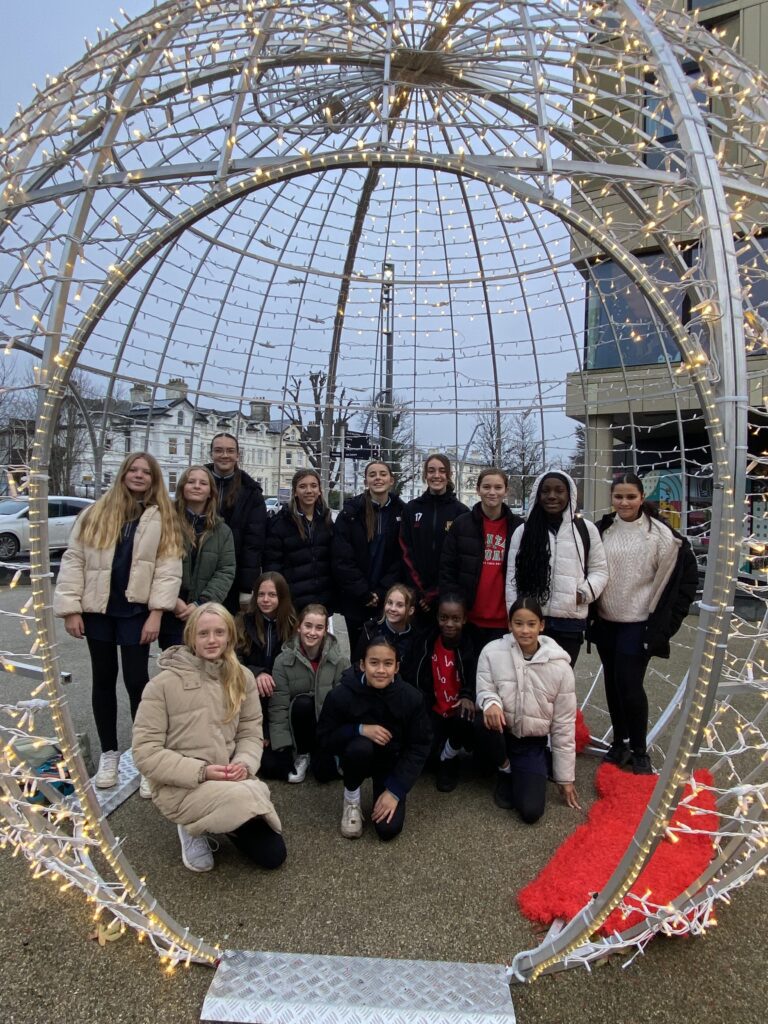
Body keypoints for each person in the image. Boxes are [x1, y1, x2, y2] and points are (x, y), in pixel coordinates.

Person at [53, 452, 182, 796]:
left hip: (136, 613)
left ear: (154, 479)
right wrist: (70, 609)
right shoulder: (95, 514)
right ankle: (110, 752)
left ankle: (144, 757)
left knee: (138, 682)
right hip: (98, 611)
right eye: (133, 470)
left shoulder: (162, 517)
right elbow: (74, 559)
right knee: (103, 679)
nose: (139, 476)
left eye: (146, 472)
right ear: (123, 474)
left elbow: (168, 568)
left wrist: (157, 611)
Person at [132, 603, 286, 873]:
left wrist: (244, 764)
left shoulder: (243, 678)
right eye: (203, 633)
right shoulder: (161, 686)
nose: (212, 640)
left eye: (219, 632)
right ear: (190, 636)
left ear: (230, 636)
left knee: (273, 854)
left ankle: (223, 819)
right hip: (183, 785)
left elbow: (250, 730)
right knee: (249, 800)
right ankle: (191, 828)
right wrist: (202, 772)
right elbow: (145, 752)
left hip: (228, 778)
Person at [592, 472, 699, 774]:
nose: (624, 502)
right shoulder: (603, 530)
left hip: (637, 623)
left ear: (641, 497)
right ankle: (619, 742)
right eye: (618, 497)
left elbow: (685, 582)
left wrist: (666, 625)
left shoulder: (662, 536)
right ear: (612, 498)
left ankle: (639, 748)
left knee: (630, 684)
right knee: (612, 683)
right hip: (606, 622)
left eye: (630, 496)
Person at [317, 635, 432, 841]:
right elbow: (324, 738)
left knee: (387, 830)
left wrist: (395, 790)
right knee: (359, 747)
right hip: (357, 756)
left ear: (397, 667)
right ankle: (351, 799)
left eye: (388, 664)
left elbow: (419, 746)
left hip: (391, 763)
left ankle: (385, 789)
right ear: (362, 665)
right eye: (374, 663)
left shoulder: (412, 698)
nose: (380, 670)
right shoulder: (341, 695)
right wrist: (358, 729)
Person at [476, 597, 580, 824]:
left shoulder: (560, 667)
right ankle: (504, 769)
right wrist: (491, 701)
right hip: (501, 733)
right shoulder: (491, 652)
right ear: (509, 624)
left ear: (541, 625)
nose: (525, 630)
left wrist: (565, 777)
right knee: (479, 716)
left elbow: (563, 725)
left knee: (531, 811)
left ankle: (530, 768)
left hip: (531, 743)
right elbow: (484, 689)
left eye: (531, 624)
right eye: (518, 623)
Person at [505, 470, 608, 667]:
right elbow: (512, 578)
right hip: (531, 620)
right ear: (538, 495)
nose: (552, 496)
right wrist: (514, 617)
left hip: (569, 623)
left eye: (559, 491)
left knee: (560, 682)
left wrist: (583, 594)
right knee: (531, 682)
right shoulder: (524, 531)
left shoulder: (585, 529)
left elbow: (600, 570)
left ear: (569, 495)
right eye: (546, 491)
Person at [440, 468, 524, 651]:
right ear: (478, 490)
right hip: (470, 619)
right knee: (471, 676)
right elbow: (448, 569)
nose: (492, 492)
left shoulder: (519, 527)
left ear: (506, 491)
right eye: (486, 487)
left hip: (505, 620)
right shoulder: (461, 525)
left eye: (498, 487)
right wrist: (457, 608)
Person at [267, 603, 349, 782]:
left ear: (326, 630)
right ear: (299, 627)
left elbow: (344, 704)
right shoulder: (283, 661)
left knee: (324, 776)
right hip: (299, 726)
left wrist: (337, 743)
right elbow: (278, 706)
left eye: (319, 627)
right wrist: (283, 747)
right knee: (303, 703)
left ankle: (322, 754)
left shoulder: (339, 660)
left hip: (326, 727)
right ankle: (302, 754)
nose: (312, 632)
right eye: (308, 626)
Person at [158, 465, 235, 649]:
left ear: (210, 492)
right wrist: (172, 600)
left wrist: (201, 603)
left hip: (205, 612)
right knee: (175, 667)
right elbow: (155, 563)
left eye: (203, 483)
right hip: (171, 610)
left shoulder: (221, 531)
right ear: (182, 488)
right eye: (191, 482)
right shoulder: (165, 523)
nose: (197, 486)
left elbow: (226, 570)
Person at [332, 460, 406, 653]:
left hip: (388, 599)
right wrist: (363, 592)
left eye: (382, 474)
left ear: (391, 480)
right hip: (357, 599)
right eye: (372, 474)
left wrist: (382, 592)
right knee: (359, 654)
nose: (378, 478)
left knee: (388, 652)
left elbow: (402, 557)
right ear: (366, 481)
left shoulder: (403, 512)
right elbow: (342, 558)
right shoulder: (350, 513)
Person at [411, 594, 478, 792]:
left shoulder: (470, 646)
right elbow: (417, 675)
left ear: (464, 619)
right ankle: (439, 750)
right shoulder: (427, 642)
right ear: (437, 617)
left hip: (458, 712)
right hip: (435, 710)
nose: (449, 624)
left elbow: (476, 676)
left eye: (456, 619)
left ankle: (448, 758)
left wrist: (468, 695)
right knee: (425, 764)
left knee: (466, 717)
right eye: (443, 618)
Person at [399, 454, 469, 623]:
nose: (436, 475)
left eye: (442, 471)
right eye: (431, 471)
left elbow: (462, 558)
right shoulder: (411, 509)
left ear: (449, 475)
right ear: (425, 475)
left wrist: (437, 592)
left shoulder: (461, 512)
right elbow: (405, 550)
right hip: (416, 595)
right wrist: (420, 591)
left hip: (447, 597)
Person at [235, 571, 297, 750]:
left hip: (281, 690)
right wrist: (256, 672)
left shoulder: (293, 623)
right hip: (249, 688)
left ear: (282, 597)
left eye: (272, 594)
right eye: (261, 594)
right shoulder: (242, 621)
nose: (265, 599)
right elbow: (233, 657)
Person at [206, 432, 267, 614]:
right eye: (219, 450)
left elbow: (254, 542)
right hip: (200, 573)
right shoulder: (197, 484)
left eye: (230, 451)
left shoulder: (251, 492)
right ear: (211, 454)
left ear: (238, 455)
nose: (224, 455)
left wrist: (247, 587)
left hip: (235, 574)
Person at [264, 468, 335, 612]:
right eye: (303, 486)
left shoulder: (327, 521)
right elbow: (272, 565)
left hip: (322, 601)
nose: (309, 490)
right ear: (295, 491)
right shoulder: (280, 523)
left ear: (319, 490)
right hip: (292, 602)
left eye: (313, 486)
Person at [351, 583, 418, 673]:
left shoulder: (416, 637)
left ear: (410, 610)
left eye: (399, 605)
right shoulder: (370, 631)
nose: (393, 608)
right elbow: (357, 665)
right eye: (389, 603)